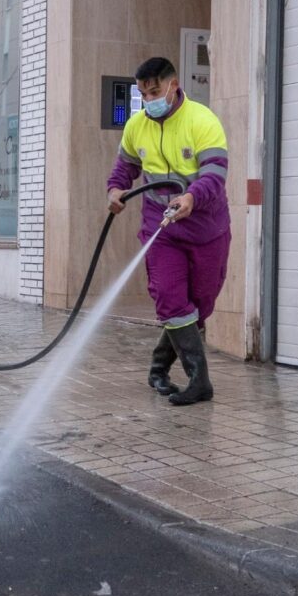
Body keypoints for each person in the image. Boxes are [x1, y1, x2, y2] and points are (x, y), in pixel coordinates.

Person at [106, 57, 231, 406]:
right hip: (161, 230)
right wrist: (114, 191)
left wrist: (192, 196)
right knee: (170, 298)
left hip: (207, 230)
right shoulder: (136, 126)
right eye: (143, 93)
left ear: (173, 85)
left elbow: (215, 175)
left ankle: (159, 368)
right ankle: (199, 381)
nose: (149, 100)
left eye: (155, 91)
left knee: (199, 306)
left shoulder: (202, 121)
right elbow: (123, 170)